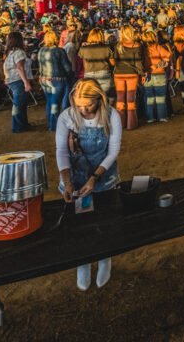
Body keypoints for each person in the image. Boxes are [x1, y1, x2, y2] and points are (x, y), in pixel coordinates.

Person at [55, 79, 121, 291]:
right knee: (80, 221)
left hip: (103, 175)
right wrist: (67, 182)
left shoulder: (112, 116)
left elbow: (113, 152)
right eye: (78, 105)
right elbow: (61, 151)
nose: (82, 110)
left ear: (98, 100)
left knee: (104, 219)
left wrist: (95, 177)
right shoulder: (67, 117)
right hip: (76, 178)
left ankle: (104, 258)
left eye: (88, 105)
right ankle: (82, 262)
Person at [37, 30, 74, 131]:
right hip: (57, 79)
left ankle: (51, 124)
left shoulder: (41, 51)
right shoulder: (59, 51)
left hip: (44, 79)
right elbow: (67, 67)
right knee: (55, 103)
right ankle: (54, 127)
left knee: (49, 102)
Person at [112, 25, 144, 130]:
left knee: (120, 99)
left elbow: (115, 60)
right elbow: (138, 63)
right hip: (131, 74)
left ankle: (121, 123)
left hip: (118, 73)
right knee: (131, 99)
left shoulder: (118, 45)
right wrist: (142, 74)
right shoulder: (136, 45)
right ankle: (131, 124)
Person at [3, 31, 33, 133]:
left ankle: (23, 124)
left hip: (13, 80)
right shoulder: (19, 52)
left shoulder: (10, 52)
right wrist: (26, 82)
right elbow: (20, 67)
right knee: (19, 104)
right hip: (18, 80)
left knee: (21, 103)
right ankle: (17, 127)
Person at [142, 30, 171, 123]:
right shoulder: (158, 47)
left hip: (147, 75)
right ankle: (161, 116)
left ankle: (150, 118)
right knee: (160, 97)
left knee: (149, 98)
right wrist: (157, 66)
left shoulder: (142, 50)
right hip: (159, 74)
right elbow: (167, 58)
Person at [79, 28, 114, 95]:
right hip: (104, 72)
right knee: (104, 96)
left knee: (91, 96)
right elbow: (112, 63)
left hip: (89, 72)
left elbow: (84, 64)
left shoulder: (83, 48)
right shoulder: (107, 47)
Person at [172, 25, 184, 112]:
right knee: (183, 85)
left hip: (181, 66)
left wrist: (177, 70)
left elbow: (179, 58)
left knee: (182, 86)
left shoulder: (179, 43)